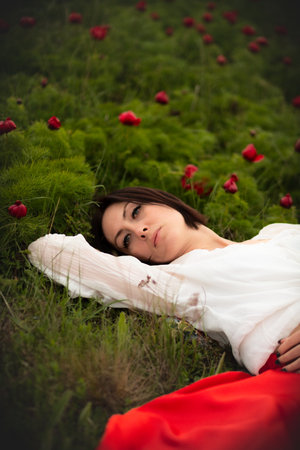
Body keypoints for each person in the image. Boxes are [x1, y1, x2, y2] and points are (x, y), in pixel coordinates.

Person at [28, 186, 300, 450]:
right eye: (126, 240)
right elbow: (47, 252)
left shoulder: (279, 234)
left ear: (162, 199)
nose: (140, 230)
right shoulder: (171, 283)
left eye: (135, 212)